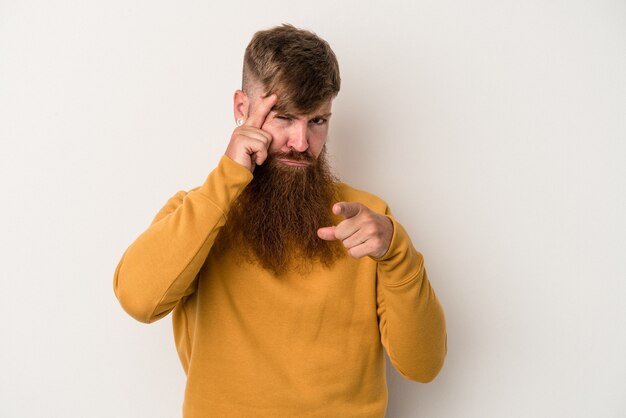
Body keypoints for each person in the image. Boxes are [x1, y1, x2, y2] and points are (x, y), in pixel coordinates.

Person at [113, 24, 447, 418]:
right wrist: (226, 179)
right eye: (284, 117)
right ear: (242, 109)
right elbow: (137, 300)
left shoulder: (367, 222)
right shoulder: (200, 212)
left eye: (318, 121)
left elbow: (423, 366)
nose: (302, 143)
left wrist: (396, 252)